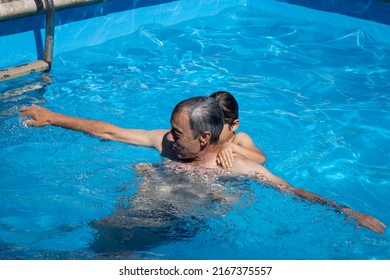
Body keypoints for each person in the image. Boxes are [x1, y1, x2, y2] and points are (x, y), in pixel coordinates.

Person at [19, 97, 386, 234]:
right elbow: (111, 132)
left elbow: (291, 191)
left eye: (179, 133)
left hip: (179, 223)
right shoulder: (168, 143)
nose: (170, 137)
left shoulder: (237, 166)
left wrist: (345, 210)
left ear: (206, 139)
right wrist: (53, 117)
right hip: (137, 210)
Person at [210, 91, 266, 169]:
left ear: (234, 125)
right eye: (207, 125)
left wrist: (233, 147)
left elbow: (261, 159)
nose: (210, 131)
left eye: (216, 126)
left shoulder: (239, 138)